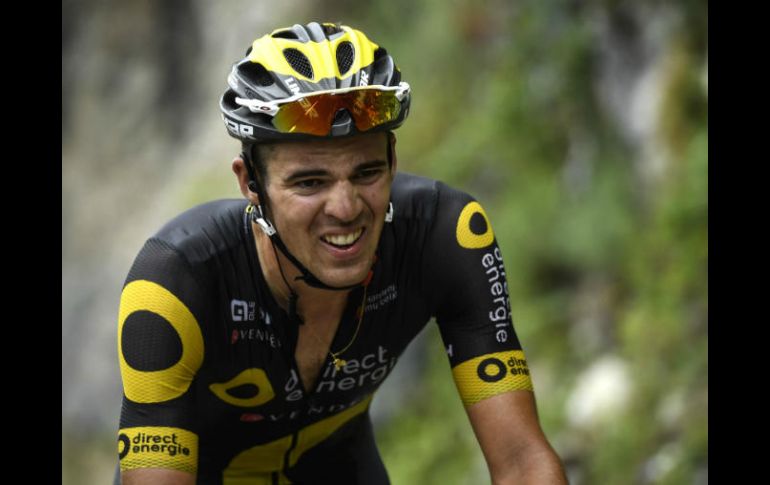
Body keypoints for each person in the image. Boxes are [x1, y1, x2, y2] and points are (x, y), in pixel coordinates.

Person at [115, 21, 568, 485]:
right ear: (251, 184)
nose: (346, 208)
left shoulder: (444, 236)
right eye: (309, 182)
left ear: (393, 160)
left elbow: (522, 462)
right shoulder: (176, 280)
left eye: (367, 172)